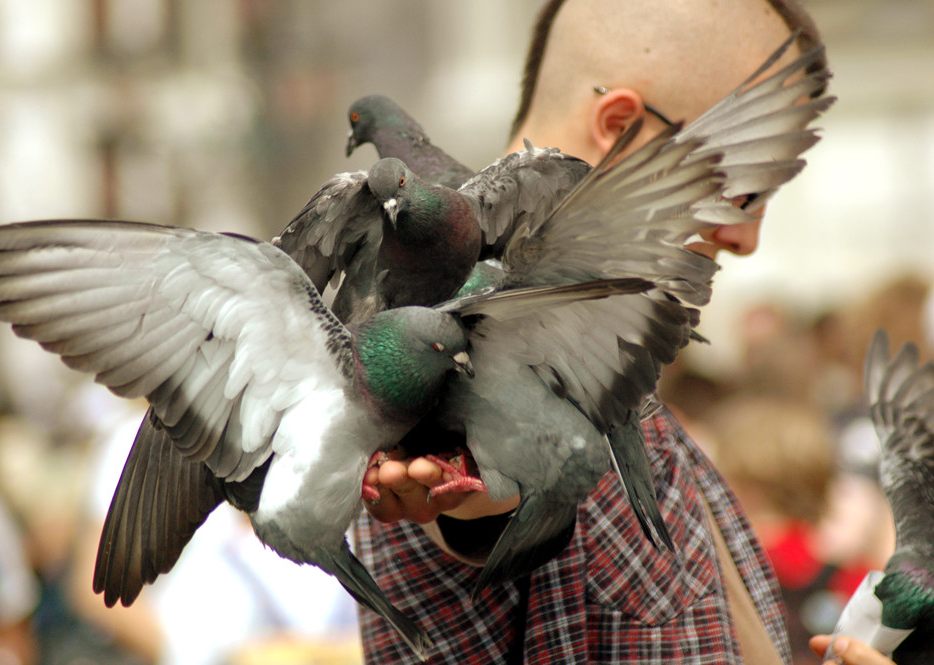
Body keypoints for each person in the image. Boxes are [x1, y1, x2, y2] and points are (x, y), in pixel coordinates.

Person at [355, 0, 834, 663]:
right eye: (743, 187)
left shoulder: (609, 350)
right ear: (618, 126)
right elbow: (470, 504)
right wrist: (469, 485)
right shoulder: (444, 297)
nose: (746, 237)